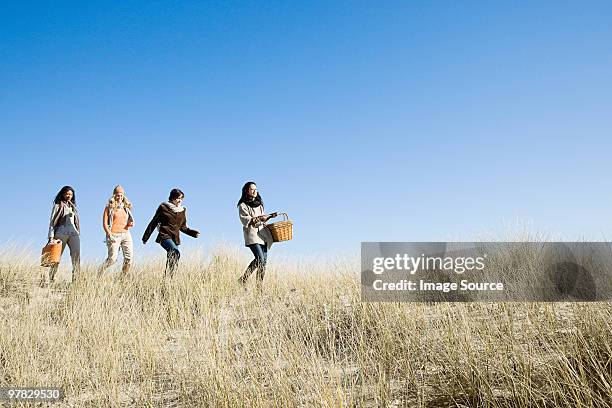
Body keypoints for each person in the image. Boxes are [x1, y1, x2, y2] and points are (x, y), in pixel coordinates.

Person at [142, 188, 200, 277]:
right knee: (175, 252)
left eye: (181, 198)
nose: (180, 200)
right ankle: (168, 277)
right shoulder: (163, 207)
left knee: (174, 257)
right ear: (172, 197)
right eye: (178, 198)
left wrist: (193, 233)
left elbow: (183, 227)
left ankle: (169, 278)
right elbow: (154, 222)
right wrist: (145, 237)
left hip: (175, 239)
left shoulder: (182, 210)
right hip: (164, 236)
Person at [237, 182, 277, 288]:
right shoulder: (242, 205)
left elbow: (262, 219)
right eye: (252, 189)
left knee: (263, 262)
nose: (255, 191)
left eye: (256, 189)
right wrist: (261, 218)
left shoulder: (259, 204)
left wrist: (269, 216)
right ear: (247, 191)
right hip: (252, 235)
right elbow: (246, 221)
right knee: (260, 259)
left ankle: (259, 287)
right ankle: (244, 278)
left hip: (263, 234)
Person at [46, 185, 80, 284]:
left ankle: (76, 281)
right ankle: (52, 279)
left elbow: (75, 221)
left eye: (71, 194)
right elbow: (52, 222)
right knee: (56, 257)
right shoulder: (57, 205)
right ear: (63, 194)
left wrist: (77, 232)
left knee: (76, 256)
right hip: (61, 232)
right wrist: (51, 237)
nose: (69, 196)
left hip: (74, 233)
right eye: (67, 194)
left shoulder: (73, 207)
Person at [99, 185, 135, 275]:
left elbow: (128, 220)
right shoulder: (109, 208)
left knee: (129, 258)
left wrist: (130, 224)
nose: (119, 197)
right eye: (118, 195)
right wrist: (109, 234)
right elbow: (104, 223)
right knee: (112, 259)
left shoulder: (126, 208)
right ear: (114, 195)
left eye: (121, 195)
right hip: (114, 235)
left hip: (126, 234)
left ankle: (123, 277)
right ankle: (100, 271)